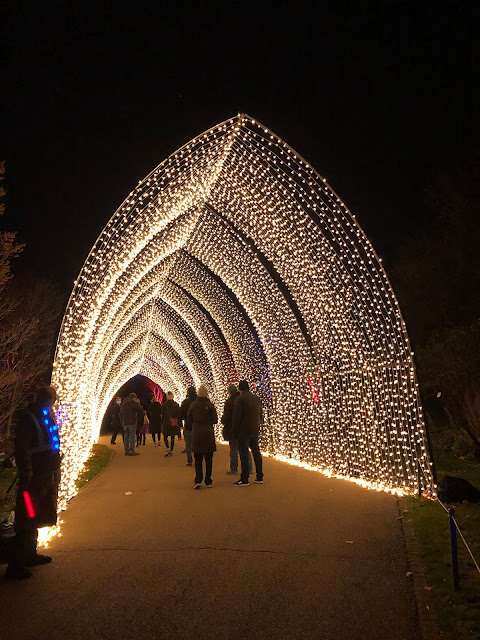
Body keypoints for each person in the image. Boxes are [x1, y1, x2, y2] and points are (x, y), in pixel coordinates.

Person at [6, 386, 61, 580]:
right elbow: (22, 449)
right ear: (46, 399)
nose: (53, 402)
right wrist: (27, 472)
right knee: (27, 517)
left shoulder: (45, 415)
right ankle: (16, 563)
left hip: (46, 474)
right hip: (33, 479)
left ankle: (30, 554)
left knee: (35, 516)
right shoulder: (29, 419)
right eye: (52, 399)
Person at [231, 380, 264, 486]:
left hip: (243, 430)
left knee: (244, 453)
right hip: (254, 429)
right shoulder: (256, 398)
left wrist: (234, 431)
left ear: (240, 389)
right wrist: (259, 425)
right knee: (256, 452)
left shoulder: (240, 399)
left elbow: (236, 417)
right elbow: (260, 413)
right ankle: (259, 476)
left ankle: (244, 478)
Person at [187, 385, 218, 489]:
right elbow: (215, 420)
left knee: (198, 458)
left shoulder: (193, 405)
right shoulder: (210, 405)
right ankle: (208, 480)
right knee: (209, 459)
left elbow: (189, 418)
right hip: (208, 433)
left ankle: (198, 480)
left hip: (197, 433)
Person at [221, 384, 253, 475]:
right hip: (244, 428)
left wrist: (223, 421)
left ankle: (234, 468)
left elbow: (227, 415)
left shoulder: (230, 402)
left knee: (234, 449)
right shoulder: (244, 400)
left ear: (230, 392)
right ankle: (249, 467)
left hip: (233, 428)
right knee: (245, 448)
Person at [179, 386, 197, 466]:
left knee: (188, 444)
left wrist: (180, 424)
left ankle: (189, 460)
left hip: (188, 425)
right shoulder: (198, 401)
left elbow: (181, 414)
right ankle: (197, 459)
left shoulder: (185, 402)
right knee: (197, 443)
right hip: (198, 426)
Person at [162, 391, 180, 457]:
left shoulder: (164, 405)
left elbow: (162, 414)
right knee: (172, 437)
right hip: (173, 422)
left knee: (165, 436)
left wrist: (162, 422)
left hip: (166, 422)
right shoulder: (176, 404)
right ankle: (171, 450)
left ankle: (167, 448)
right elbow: (178, 414)